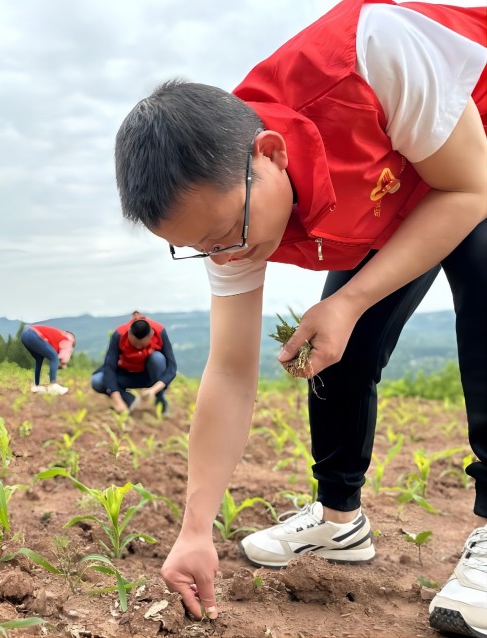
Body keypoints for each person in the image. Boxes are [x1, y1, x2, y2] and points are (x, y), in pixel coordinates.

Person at [113, 0, 486, 632]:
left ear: (271, 153)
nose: (223, 256)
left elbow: (469, 188)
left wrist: (349, 298)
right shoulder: (218, 209)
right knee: (336, 347)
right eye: (199, 249)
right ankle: (342, 522)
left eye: (228, 234)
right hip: (406, 186)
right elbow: (230, 372)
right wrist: (195, 529)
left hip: (472, 154)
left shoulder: (374, 55)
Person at [91, 315, 177, 414]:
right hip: (125, 375)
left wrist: (153, 390)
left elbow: (172, 368)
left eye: (141, 345)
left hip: (149, 377)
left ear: (151, 335)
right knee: (97, 380)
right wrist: (117, 400)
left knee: (157, 358)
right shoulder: (119, 334)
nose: (138, 347)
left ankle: (160, 401)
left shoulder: (159, 331)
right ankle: (129, 400)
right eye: (135, 344)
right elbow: (109, 367)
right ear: (129, 334)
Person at [19, 324, 76, 395]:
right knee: (54, 357)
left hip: (25, 334)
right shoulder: (69, 339)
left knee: (39, 358)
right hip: (32, 334)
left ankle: (36, 386)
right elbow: (63, 358)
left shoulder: (59, 336)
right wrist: (63, 364)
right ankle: (53, 385)